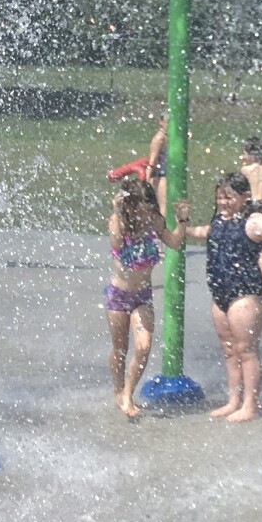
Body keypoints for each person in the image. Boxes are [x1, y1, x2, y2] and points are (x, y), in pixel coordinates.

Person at [178, 171, 262, 423]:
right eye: (220, 198)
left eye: (229, 197)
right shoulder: (219, 220)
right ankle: (233, 400)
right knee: (228, 350)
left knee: (246, 351)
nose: (223, 203)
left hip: (244, 294)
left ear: (245, 197)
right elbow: (201, 232)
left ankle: (250, 404)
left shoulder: (255, 220)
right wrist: (182, 222)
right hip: (220, 293)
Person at [103, 176, 186, 418]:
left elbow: (174, 242)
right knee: (120, 348)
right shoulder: (118, 223)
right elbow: (117, 243)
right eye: (143, 204)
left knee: (144, 345)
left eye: (150, 203)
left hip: (142, 295)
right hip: (118, 296)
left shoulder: (154, 221)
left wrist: (182, 220)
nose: (148, 208)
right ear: (131, 205)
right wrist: (117, 210)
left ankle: (128, 394)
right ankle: (117, 389)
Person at [240, 137, 262, 282]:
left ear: (249, 155)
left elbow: (243, 188)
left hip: (253, 205)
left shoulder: (246, 169)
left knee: (256, 238)